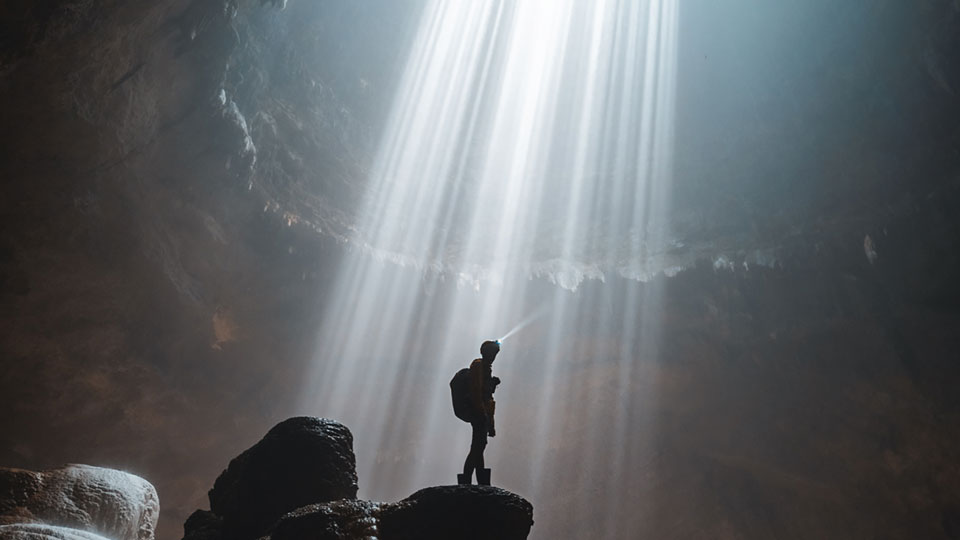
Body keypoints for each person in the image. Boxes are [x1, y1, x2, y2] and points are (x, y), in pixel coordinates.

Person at [458, 340, 501, 485]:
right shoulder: (478, 366)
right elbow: (477, 391)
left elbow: (487, 395)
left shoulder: (486, 368)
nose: (493, 356)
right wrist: (482, 413)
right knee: (478, 446)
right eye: (492, 353)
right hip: (478, 413)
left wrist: (490, 423)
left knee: (479, 446)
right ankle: (467, 481)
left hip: (482, 413)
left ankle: (480, 482)